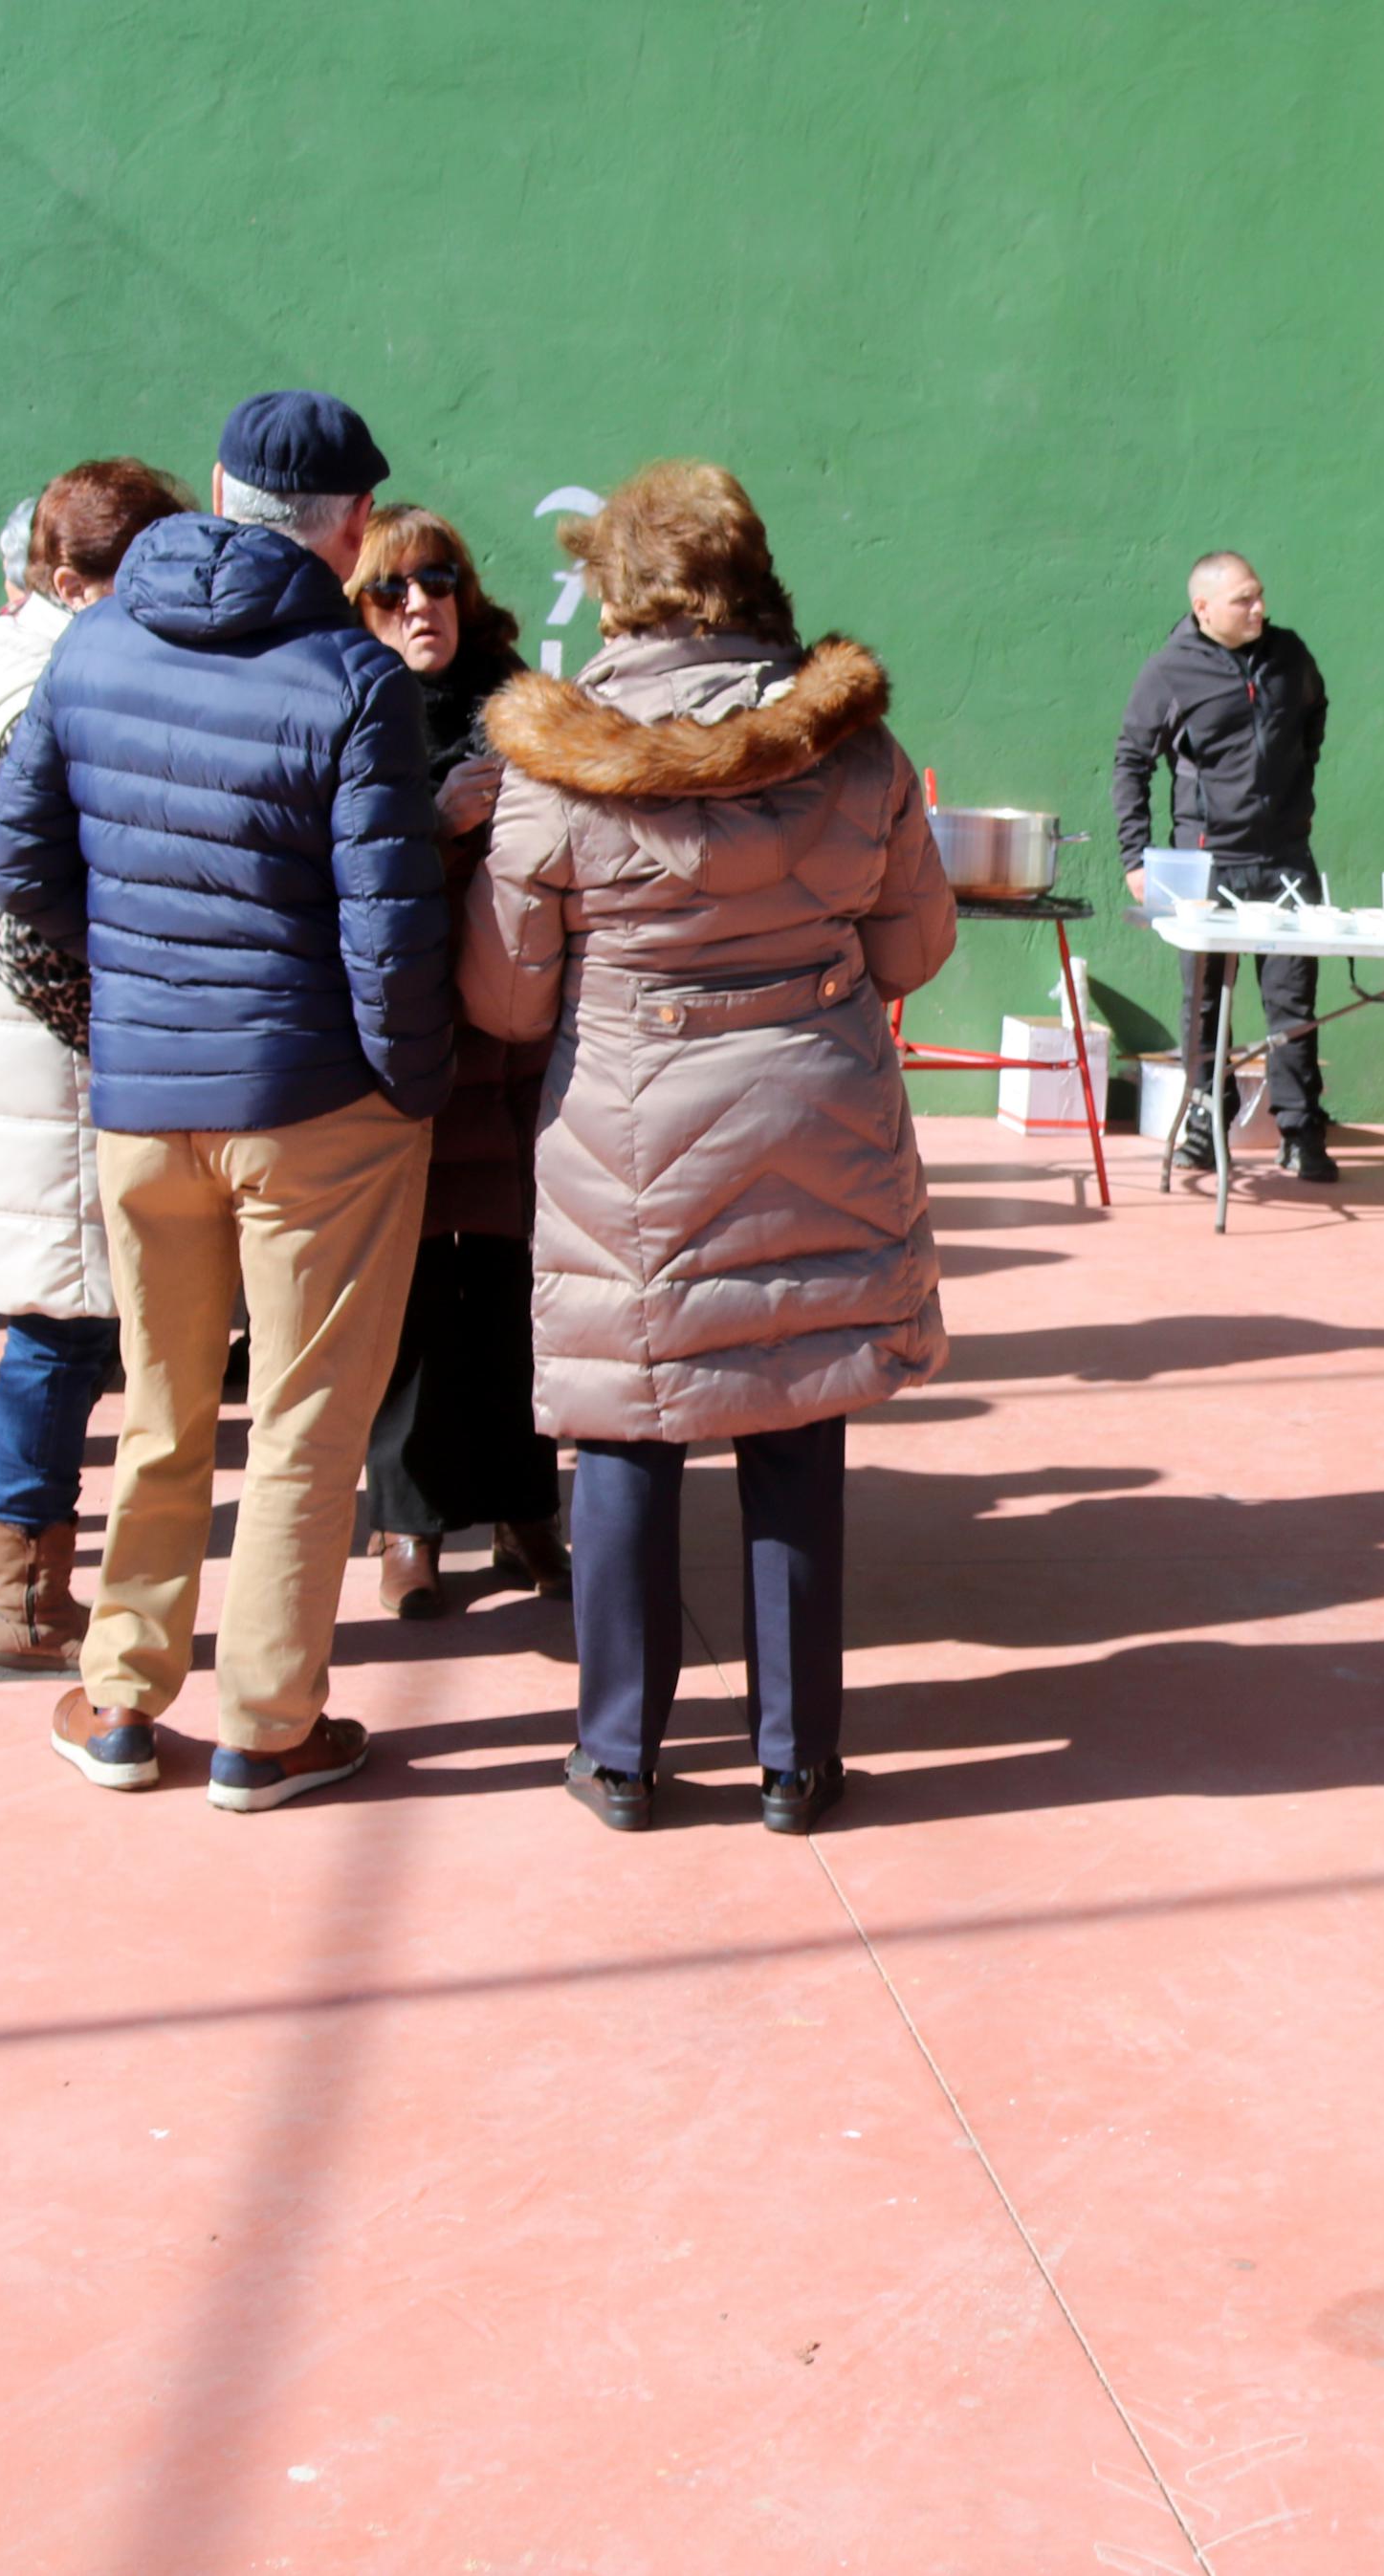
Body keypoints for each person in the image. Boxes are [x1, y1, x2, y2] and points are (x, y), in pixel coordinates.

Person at [463, 460, 956, 1835]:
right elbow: (914, 943)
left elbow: (502, 997)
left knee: (624, 1425)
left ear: (616, 589)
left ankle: (620, 1752)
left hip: (626, 1123)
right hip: (817, 1103)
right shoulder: (851, 749)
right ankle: (798, 1762)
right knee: (795, 1409)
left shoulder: (554, 762)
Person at [0, 390, 450, 1811]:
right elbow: (388, 930)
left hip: (142, 1096)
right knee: (307, 1421)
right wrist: (406, 1084)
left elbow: (18, 865)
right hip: (316, 1106)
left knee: (164, 1407)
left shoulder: (96, 640)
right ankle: (265, 1723)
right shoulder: (353, 679)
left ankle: (123, 1696)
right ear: (353, 525)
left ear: (215, 487)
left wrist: (134, 974)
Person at [0, 455, 194, 1681]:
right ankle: (23, 1597)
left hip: (18, 1054)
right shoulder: (57, 687)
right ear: (84, 581)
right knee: (66, 1328)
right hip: (60, 1057)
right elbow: (43, 892)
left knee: (56, 1322)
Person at [344, 502, 563, 1616]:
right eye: (393, 590)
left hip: (515, 1049)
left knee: (518, 1289)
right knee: (417, 1293)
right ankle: (408, 1525)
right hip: (407, 1049)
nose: (420, 606)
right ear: (363, 607)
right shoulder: (350, 709)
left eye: (438, 583)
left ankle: (527, 1511)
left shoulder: (521, 708)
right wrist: (429, 827)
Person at [1113, 551, 1339, 1182]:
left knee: (1293, 1001)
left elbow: (1314, 720)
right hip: (1204, 865)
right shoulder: (1169, 671)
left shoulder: (1290, 655)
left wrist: (1294, 797)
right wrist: (1136, 855)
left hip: (1286, 859)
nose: (1259, 607)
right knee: (1205, 1003)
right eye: (1243, 599)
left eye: (1260, 594)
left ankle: (1299, 1131)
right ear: (1203, 608)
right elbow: (1131, 762)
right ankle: (1205, 1123)